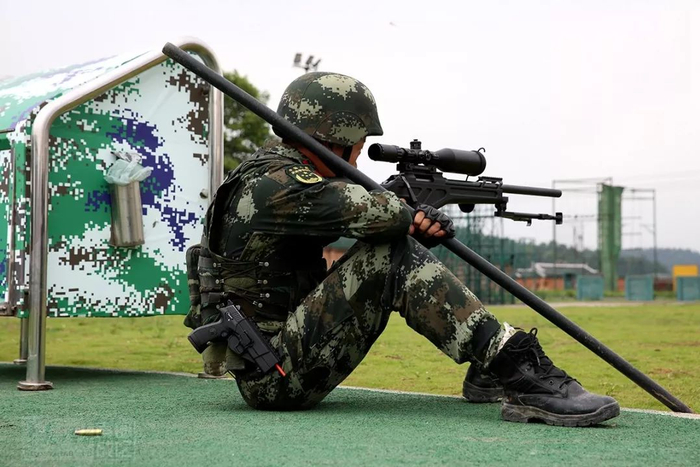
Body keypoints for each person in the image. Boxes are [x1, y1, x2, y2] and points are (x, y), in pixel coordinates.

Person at [184, 72, 620, 427]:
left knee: (390, 246)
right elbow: (375, 214)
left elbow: (360, 223)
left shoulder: (262, 173)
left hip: (270, 361)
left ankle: (490, 363)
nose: (357, 162)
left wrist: (407, 218)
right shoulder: (279, 184)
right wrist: (409, 214)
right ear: (336, 137)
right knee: (391, 254)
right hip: (275, 376)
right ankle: (515, 368)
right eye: (356, 148)